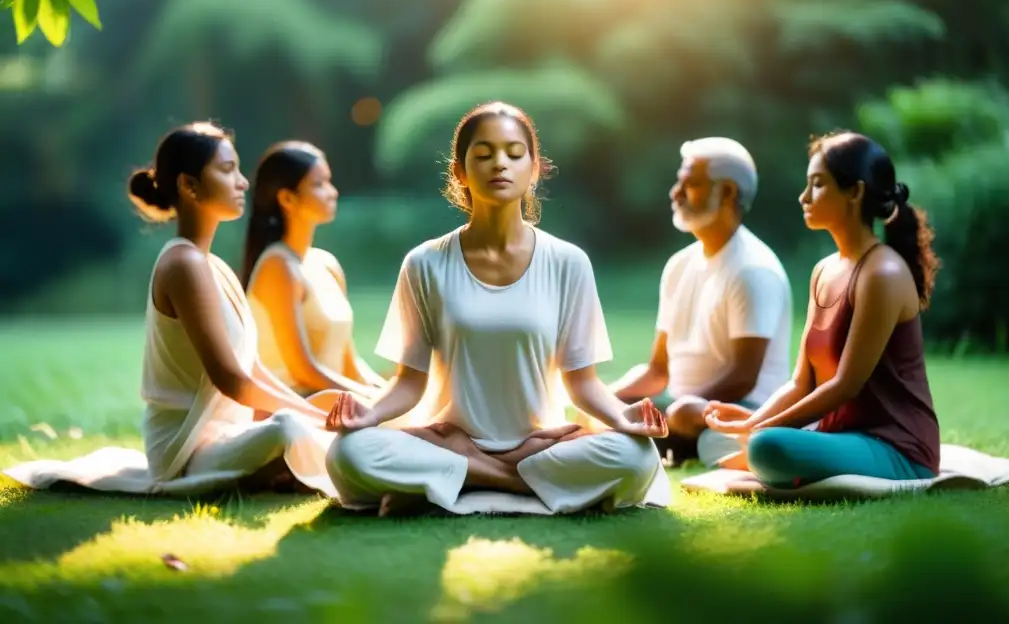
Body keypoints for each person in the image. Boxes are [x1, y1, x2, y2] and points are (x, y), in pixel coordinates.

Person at [324, 102, 672, 517]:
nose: (499, 164)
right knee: (349, 452)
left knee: (637, 456)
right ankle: (512, 481)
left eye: (513, 152)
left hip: (541, 445)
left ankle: (455, 479)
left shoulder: (568, 262)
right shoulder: (425, 262)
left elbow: (583, 383)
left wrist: (623, 417)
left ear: (534, 167)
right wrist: (370, 413)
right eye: (484, 154)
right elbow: (408, 383)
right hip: (446, 438)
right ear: (460, 171)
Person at [4, 122, 339, 497]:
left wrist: (313, 410)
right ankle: (292, 469)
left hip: (228, 436)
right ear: (189, 185)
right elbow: (231, 379)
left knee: (303, 416)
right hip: (186, 450)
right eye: (228, 170)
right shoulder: (183, 264)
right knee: (290, 428)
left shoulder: (214, 267)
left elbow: (252, 367)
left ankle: (287, 469)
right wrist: (310, 416)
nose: (243, 182)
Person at [705, 131, 941, 488]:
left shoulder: (883, 273)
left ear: (855, 192)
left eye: (817, 184)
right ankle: (770, 451)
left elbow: (845, 385)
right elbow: (801, 381)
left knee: (768, 446)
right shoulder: (824, 271)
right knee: (758, 440)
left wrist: (760, 429)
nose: (804, 196)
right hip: (842, 435)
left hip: (897, 446)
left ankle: (768, 454)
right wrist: (751, 423)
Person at [608, 137, 792, 469]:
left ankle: (670, 442)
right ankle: (663, 439)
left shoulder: (754, 270)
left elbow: (743, 377)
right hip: (682, 410)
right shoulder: (679, 265)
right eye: (679, 182)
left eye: (691, 183)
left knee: (680, 417)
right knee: (606, 413)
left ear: (728, 193)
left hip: (740, 409)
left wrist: (670, 409)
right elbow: (657, 370)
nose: (675, 192)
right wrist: (604, 399)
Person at [241, 141, 388, 401]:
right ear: (287, 198)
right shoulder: (278, 266)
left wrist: (388, 395)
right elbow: (303, 371)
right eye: (319, 185)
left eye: (329, 182)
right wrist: (373, 401)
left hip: (338, 402)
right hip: (299, 409)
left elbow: (350, 363)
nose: (332, 192)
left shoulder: (326, 264)